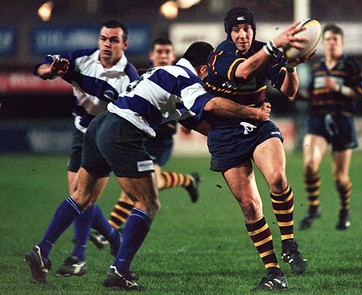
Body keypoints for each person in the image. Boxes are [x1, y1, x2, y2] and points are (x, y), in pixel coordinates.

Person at [24, 41, 273, 291]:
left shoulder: (167, 73)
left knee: (83, 196)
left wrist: (241, 134)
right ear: (204, 68)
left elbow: (200, 123)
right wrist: (253, 114)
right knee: (148, 203)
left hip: (101, 125)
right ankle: (120, 270)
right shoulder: (187, 78)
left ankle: (42, 250)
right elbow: (210, 105)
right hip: (123, 131)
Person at [204, 7, 310, 291]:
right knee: (251, 206)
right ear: (229, 33)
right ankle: (274, 272)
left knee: (277, 178)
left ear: (253, 30)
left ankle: (288, 241)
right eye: (237, 30)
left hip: (259, 127)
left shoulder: (267, 51)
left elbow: (289, 91)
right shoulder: (219, 56)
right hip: (226, 133)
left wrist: (291, 64)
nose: (242, 34)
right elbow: (243, 71)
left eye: (247, 29)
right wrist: (277, 45)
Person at [32, 20, 140, 276]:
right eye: (103, 38)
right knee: (79, 195)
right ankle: (113, 238)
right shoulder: (81, 59)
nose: (107, 44)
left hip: (104, 138)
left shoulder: (128, 77)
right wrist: (49, 71)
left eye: (114, 40)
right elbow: (42, 67)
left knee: (83, 197)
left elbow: (132, 115)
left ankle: (77, 255)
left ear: (124, 44)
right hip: (81, 132)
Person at [89, 38, 201, 249]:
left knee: (141, 188)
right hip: (134, 133)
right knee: (150, 185)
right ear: (151, 55)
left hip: (159, 140)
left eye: (168, 52)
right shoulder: (144, 75)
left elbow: (182, 106)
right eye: (159, 51)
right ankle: (188, 181)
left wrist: (188, 118)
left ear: (174, 56)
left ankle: (110, 230)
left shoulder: (178, 76)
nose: (163, 55)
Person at [297, 24, 362, 231]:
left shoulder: (351, 66)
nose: (330, 43)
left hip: (342, 121)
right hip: (318, 120)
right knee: (310, 164)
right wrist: (297, 95)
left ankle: (345, 209)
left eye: (335, 40)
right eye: (327, 39)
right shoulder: (317, 67)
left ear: (342, 43)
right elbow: (311, 95)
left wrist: (338, 87)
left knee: (340, 178)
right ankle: (313, 207)